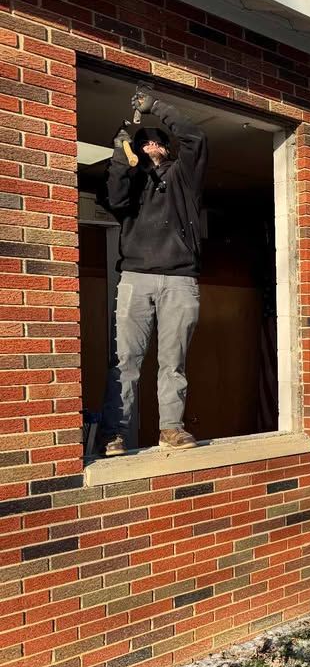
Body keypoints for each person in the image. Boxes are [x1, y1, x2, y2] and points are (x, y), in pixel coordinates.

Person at [97, 87, 208, 456]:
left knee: (173, 362)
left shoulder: (182, 179)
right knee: (125, 361)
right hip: (136, 278)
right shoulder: (130, 182)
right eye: (141, 142)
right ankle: (114, 433)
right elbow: (115, 197)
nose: (149, 146)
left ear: (166, 146)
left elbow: (196, 137)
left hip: (180, 279)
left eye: (156, 141)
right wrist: (119, 156)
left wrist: (156, 108)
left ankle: (171, 430)